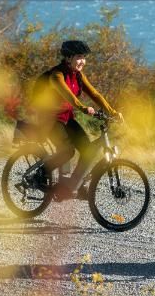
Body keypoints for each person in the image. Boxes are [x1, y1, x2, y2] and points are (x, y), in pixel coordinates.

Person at [32, 40, 120, 200]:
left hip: (66, 118)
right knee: (67, 151)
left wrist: (113, 112)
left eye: (84, 58)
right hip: (49, 120)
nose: (83, 61)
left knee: (88, 150)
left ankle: (75, 185)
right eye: (79, 57)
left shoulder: (78, 76)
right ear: (68, 58)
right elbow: (69, 97)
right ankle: (41, 174)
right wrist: (83, 108)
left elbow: (95, 95)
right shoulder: (56, 76)